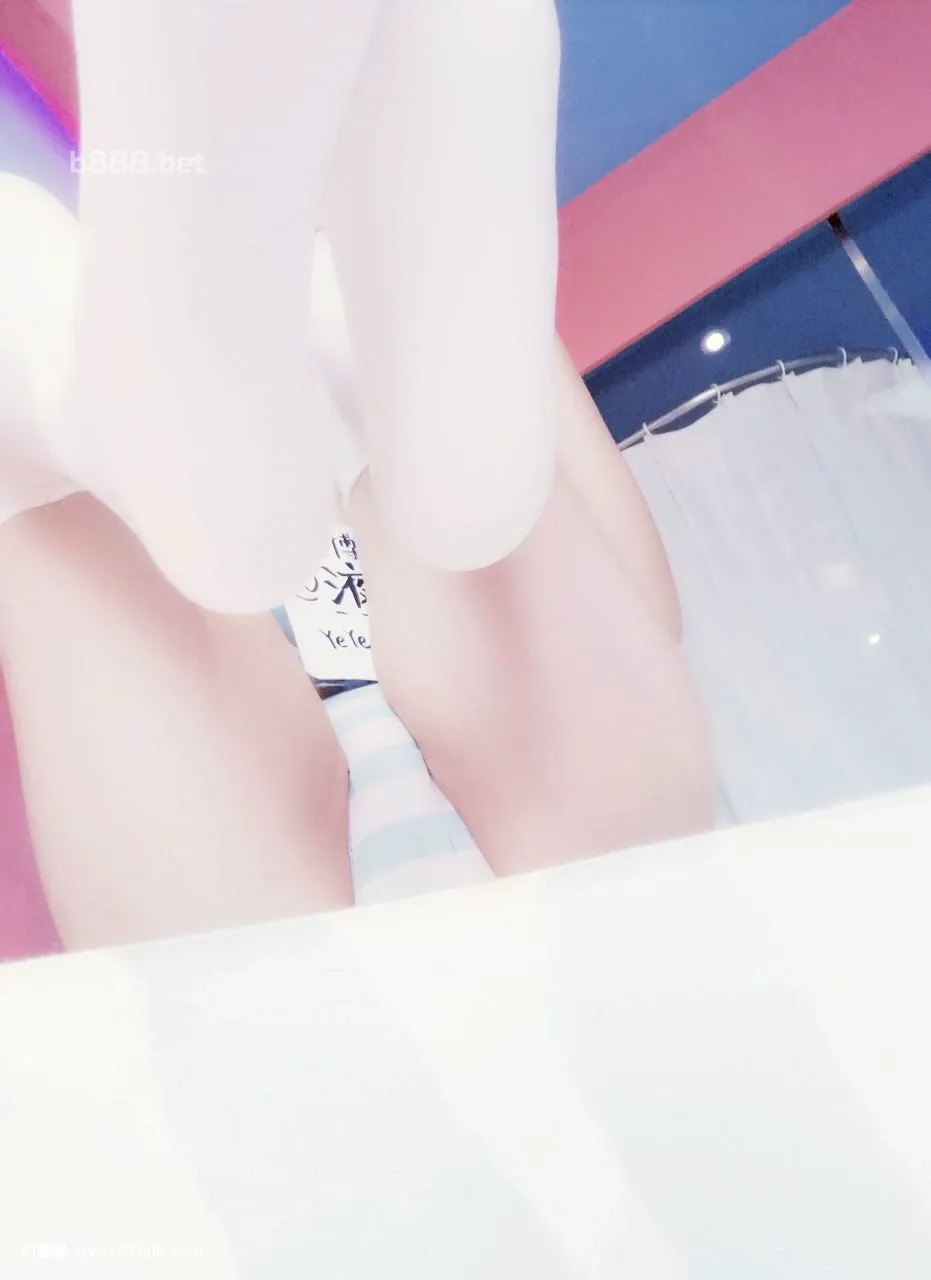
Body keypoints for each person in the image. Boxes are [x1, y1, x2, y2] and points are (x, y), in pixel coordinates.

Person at [0, 174, 715, 951]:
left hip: (280, 934)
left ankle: (50, 404)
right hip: (585, 844)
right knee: (629, 820)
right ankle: (398, 296)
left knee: (213, 955)